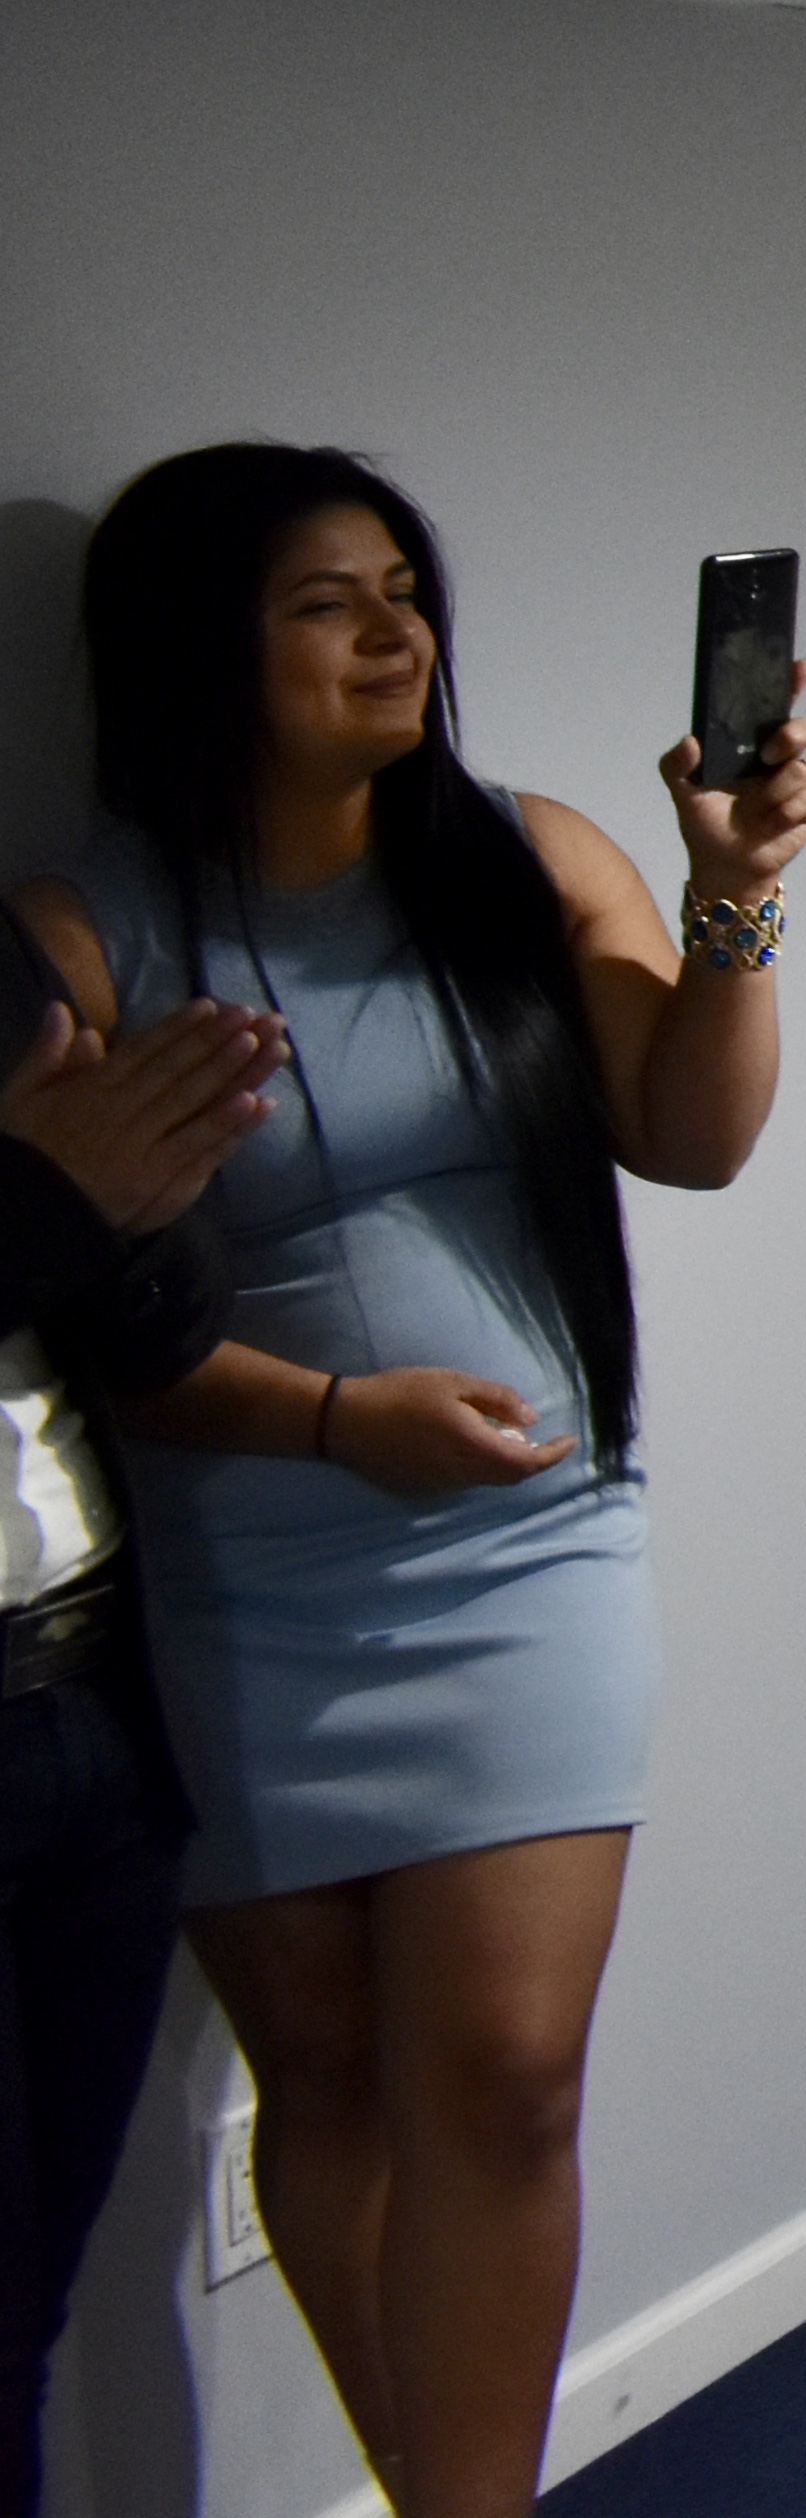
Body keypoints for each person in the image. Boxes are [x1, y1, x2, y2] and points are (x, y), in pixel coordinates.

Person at [10, 444, 806, 2518]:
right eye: (327, 601)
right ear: (199, 647)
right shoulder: (86, 937)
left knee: (511, 2077)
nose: (396, 633)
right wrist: (328, 1419)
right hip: (242, 1571)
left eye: (403, 589)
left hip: (532, 1551)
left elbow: (696, 1132)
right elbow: (79, 1314)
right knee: (332, 2081)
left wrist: (734, 891)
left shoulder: (522, 860)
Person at [0, 952, 275, 2512]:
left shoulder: (3, 955)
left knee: (33, 2302)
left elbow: (166, 1321)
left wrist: (142, 1207)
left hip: (98, 1696)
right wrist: (51, 1200)